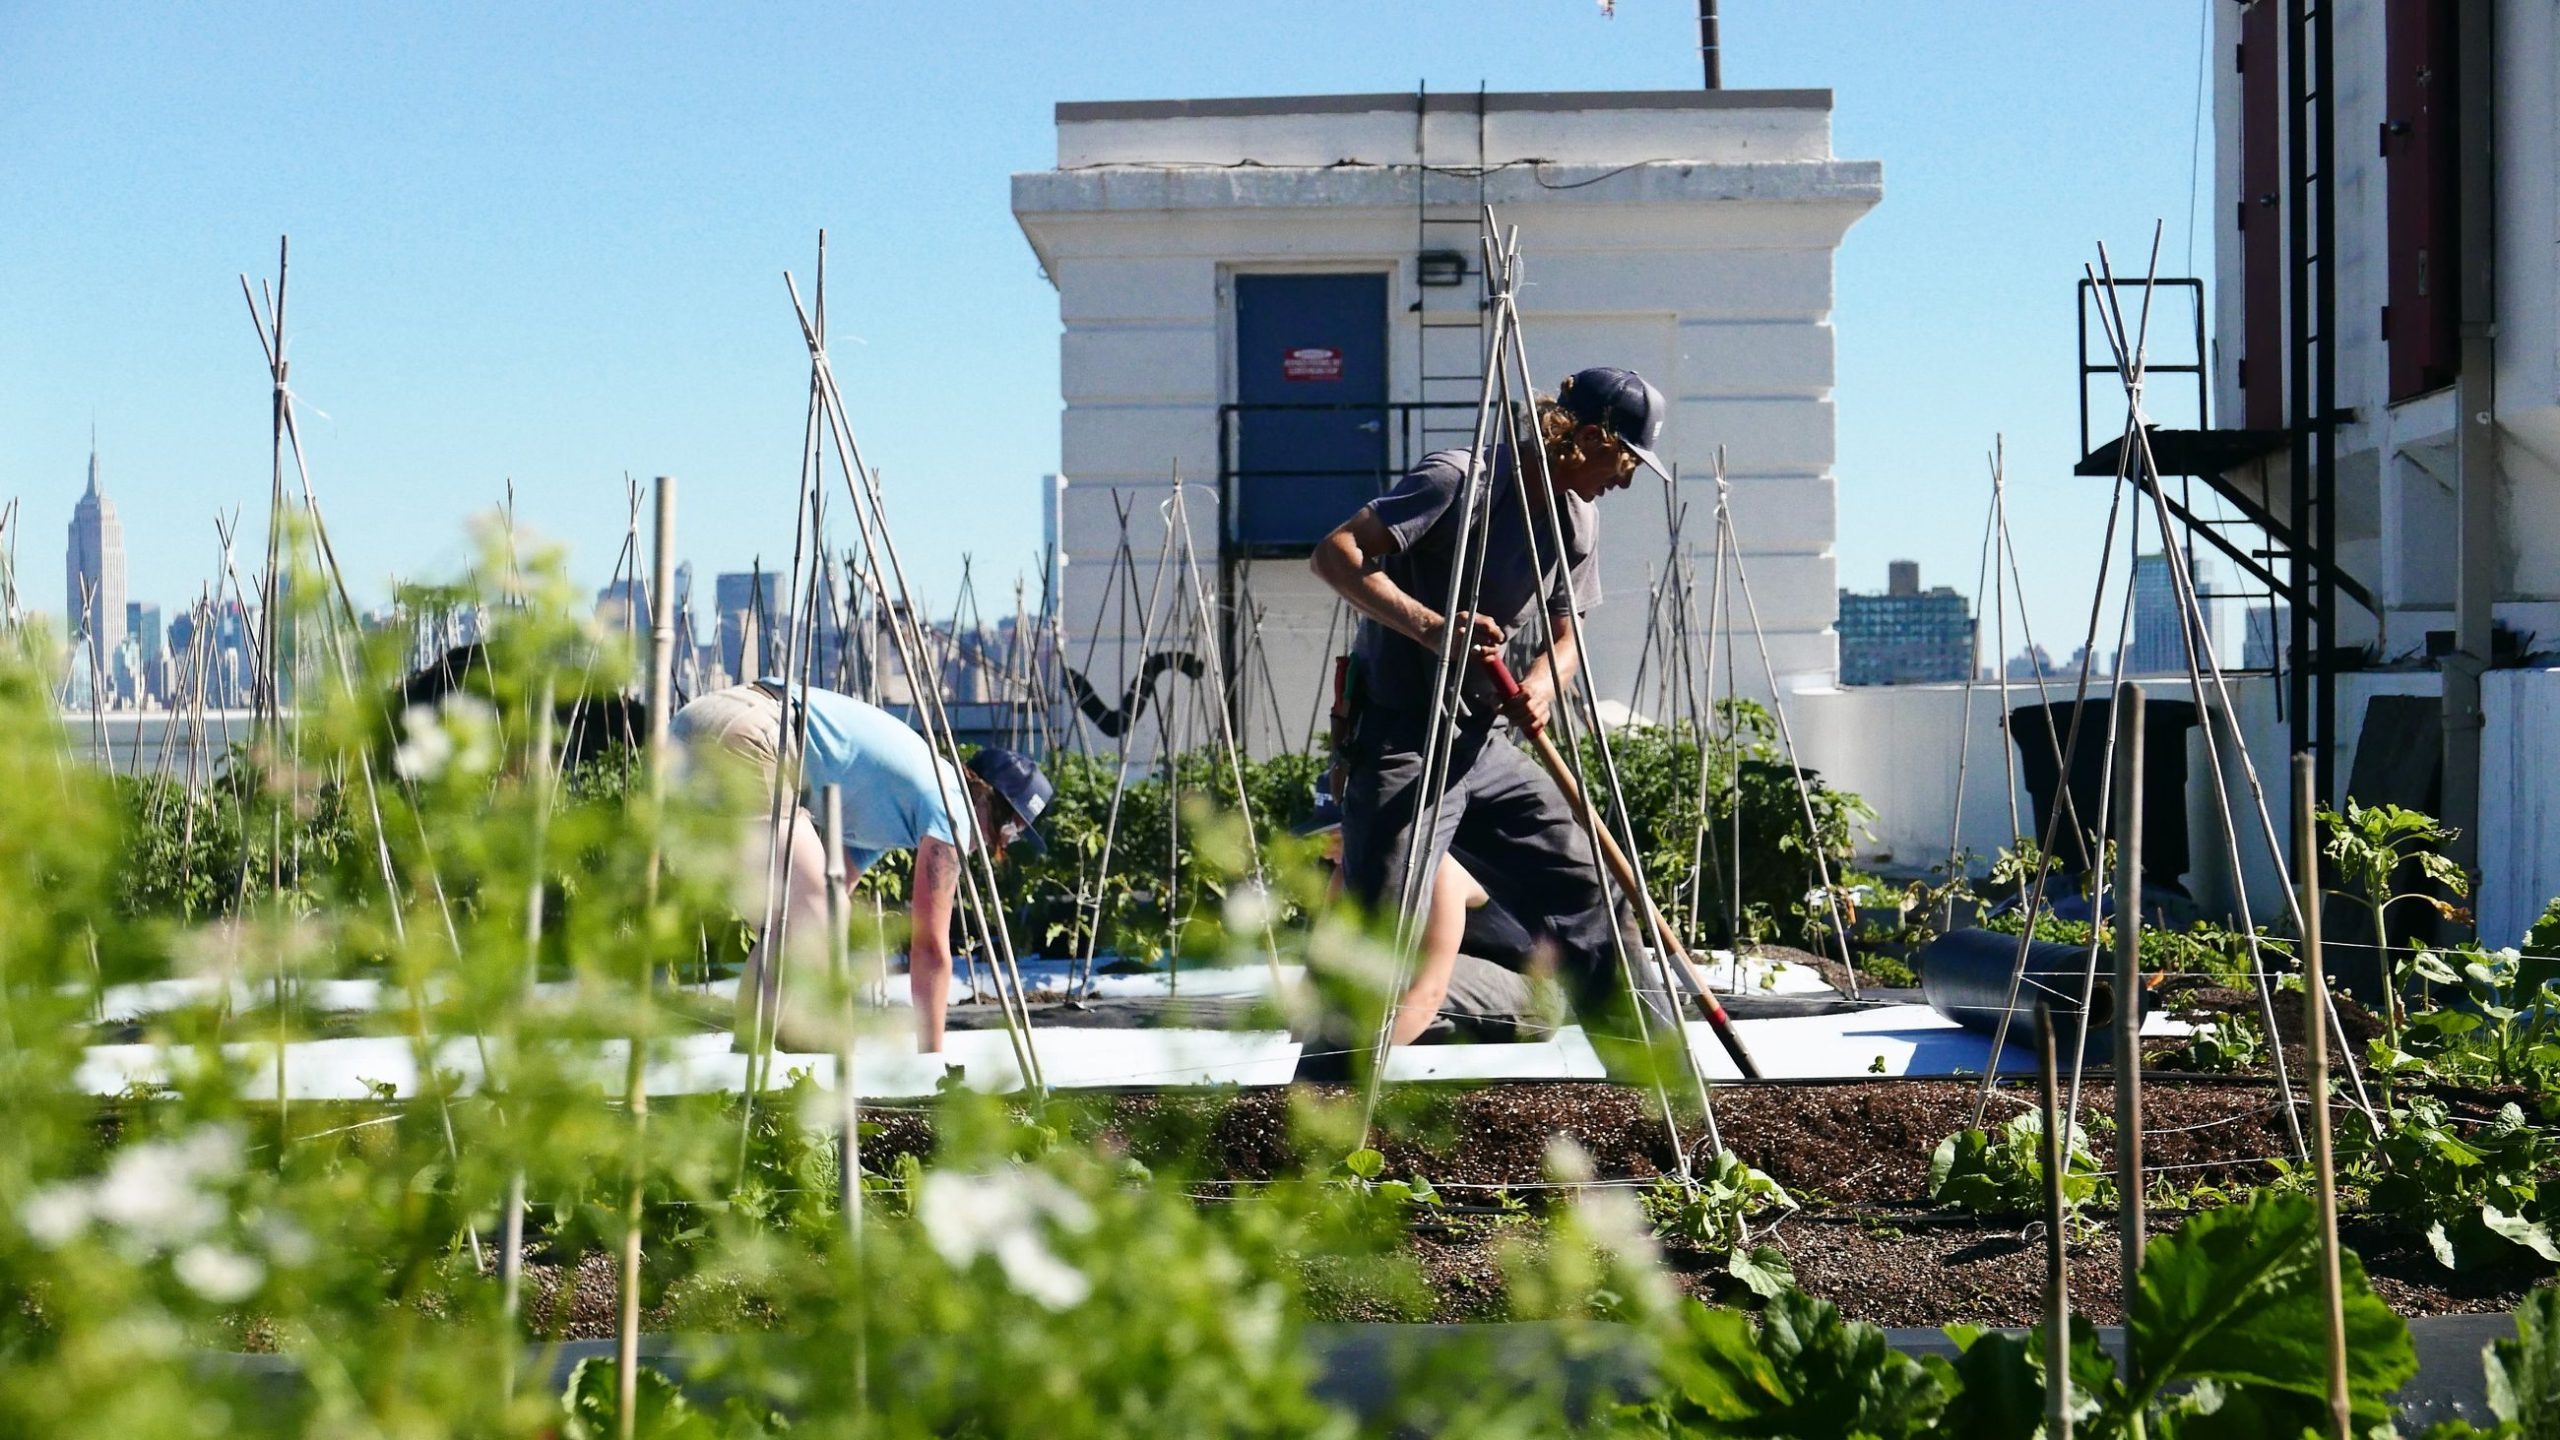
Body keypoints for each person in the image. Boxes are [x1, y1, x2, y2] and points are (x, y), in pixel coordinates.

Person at [1309, 366, 1668, 1048]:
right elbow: (1336, 554)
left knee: (1587, 888)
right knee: (1377, 934)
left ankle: (1661, 1091)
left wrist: (1543, 682)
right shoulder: (1456, 482)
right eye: (1624, 462)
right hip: (1402, 741)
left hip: (1483, 745)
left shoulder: (1576, 519)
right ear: (1587, 437)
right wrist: (1432, 627)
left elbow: (1567, 638)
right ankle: (1318, 1124)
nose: (1624, 481)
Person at [672, 679, 1053, 1055]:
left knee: (800, 920)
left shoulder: (894, 806)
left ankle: (780, 1047)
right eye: (1007, 826)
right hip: (755, 732)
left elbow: (834, 897)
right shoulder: (952, 805)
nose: (999, 841)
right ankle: (749, 1067)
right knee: (805, 923)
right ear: (983, 793)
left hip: (696, 726)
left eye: (1014, 836)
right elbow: (930, 948)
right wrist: (932, 1062)